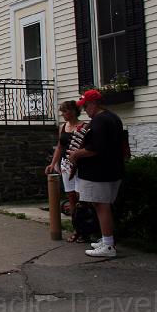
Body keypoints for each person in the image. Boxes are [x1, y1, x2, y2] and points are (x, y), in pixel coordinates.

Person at [69, 89, 125, 258]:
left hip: (98, 172)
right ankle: (107, 239)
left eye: (85, 106)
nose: (85, 110)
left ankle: (108, 245)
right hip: (113, 169)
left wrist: (76, 154)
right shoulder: (113, 117)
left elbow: (95, 148)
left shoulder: (99, 121)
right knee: (103, 205)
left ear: (93, 104)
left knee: (101, 205)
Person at [45, 100, 86, 243]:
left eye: (65, 111)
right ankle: (76, 229)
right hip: (66, 166)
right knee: (71, 197)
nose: (63, 115)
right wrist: (53, 163)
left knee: (82, 197)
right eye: (62, 112)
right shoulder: (63, 127)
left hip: (79, 166)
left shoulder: (83, 126)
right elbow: (59, 147)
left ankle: (85, 229)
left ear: (73, 111)